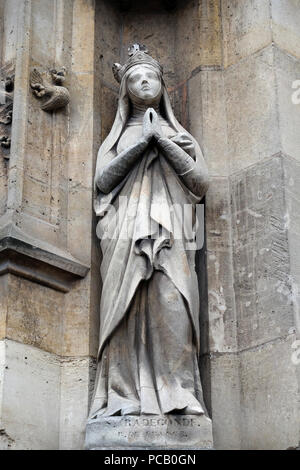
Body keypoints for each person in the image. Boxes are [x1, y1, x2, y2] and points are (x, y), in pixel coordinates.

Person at [89, 45, 209, 418]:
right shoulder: (118, 136)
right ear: (125, 89)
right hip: (124, 234)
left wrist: (165, 142)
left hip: (175, 231)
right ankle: (122, 395)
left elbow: (200, 184)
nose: (144, 81)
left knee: (174, 305)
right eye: (136, 77)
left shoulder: (180, 135)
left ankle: (179, 392)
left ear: (161, 85)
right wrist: (143, 140)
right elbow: (102, 181)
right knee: (124, 311)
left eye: (151, 76)